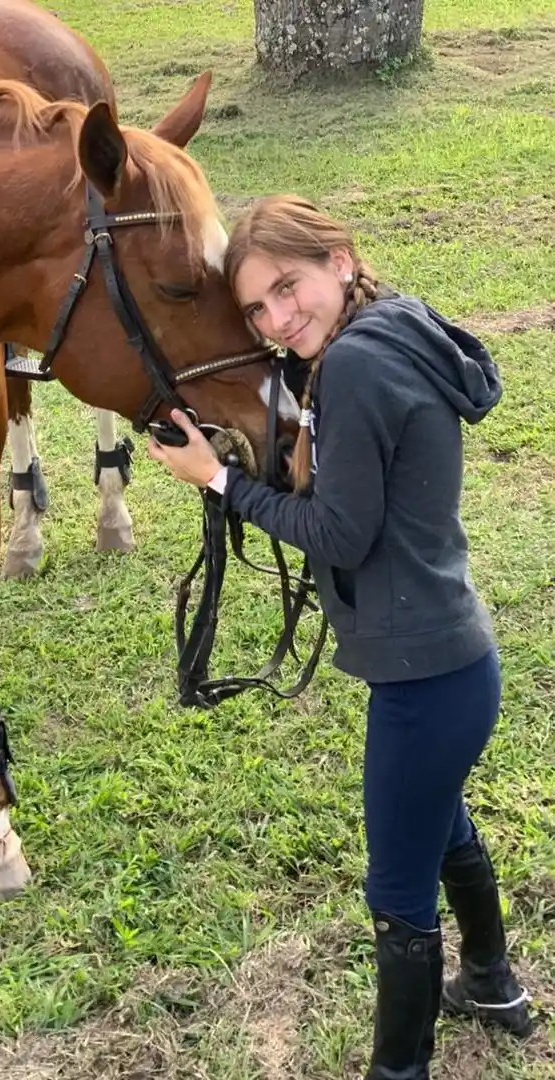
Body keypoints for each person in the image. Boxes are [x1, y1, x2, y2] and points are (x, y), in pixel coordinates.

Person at [148, 194, 532, 1079]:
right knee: (442, 827)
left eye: (288, 287)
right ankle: (491, 982)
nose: (279, 320)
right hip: (453, 659)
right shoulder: (395, 329)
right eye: (257, 309)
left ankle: (400, 1071)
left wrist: (217, 482)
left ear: (341, 260)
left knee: (397, 896)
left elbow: (339, 534)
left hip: (425, 680)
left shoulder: (355, 366)